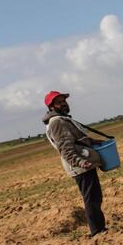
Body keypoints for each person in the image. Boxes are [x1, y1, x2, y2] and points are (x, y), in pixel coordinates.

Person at [43, 91, 108, 237]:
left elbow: (79, 140)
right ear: (51, 106)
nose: (64, 103)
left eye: (63, 100)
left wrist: (96, 142)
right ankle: (97, 231)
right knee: (91, 198)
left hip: (84, 163)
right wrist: (79, 161)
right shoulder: (57, 122)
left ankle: (99, 228)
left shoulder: (63, 119)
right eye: (59, 102)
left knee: (94, 197)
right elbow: (65, 148)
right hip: (80, 166)